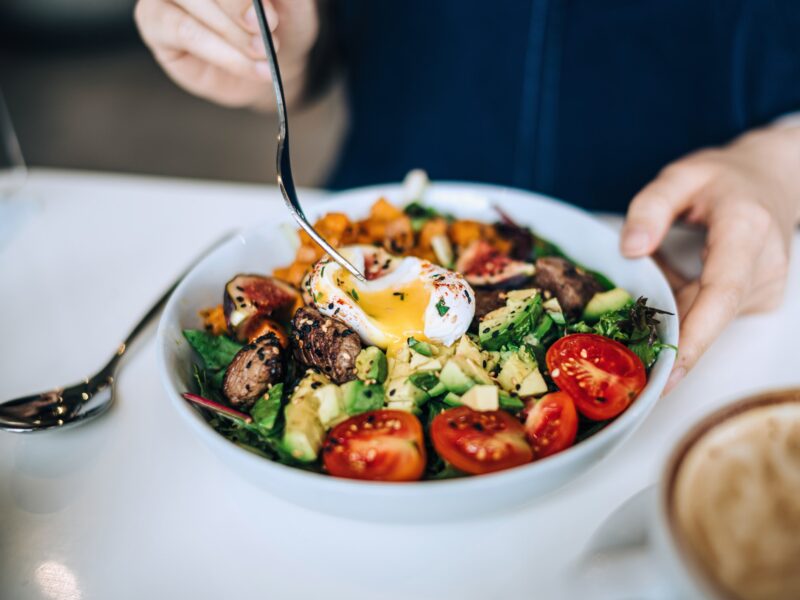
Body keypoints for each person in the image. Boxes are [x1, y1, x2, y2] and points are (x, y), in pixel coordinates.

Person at [134, 0, 800, 392]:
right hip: (363, 217)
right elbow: (317, 42)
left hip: (690, 264)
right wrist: (265, 43)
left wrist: (778, 165)